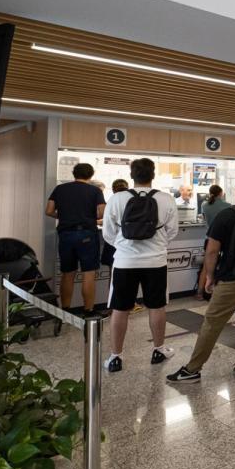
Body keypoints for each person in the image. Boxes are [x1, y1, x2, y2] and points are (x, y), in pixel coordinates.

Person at [167, 177, 235, 384]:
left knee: (212, 323)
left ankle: (193, 369)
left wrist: (209, 276)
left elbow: (211, 251)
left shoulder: (226, 216)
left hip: (231, 279)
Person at [101, 158, 179, 373]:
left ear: (131, 175)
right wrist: (157, 245)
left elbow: (108, 233)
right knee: (156, 306)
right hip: (156, 261)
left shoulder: (116, 199)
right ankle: (158, 349)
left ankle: (115, 356)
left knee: (120, 308)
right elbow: (172, 231)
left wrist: (124, 246)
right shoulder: (166, 199)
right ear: (152, 174)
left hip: (124, 262)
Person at [45, 163, 106, 311]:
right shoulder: (95, 190)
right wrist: (89, 217)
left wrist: (65, 216)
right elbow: (101, 213)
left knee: (67, 273)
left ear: (74, 174)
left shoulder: (60, 189)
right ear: (91, 175)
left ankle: (65, 309)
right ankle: (89, 311)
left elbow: (49, 210)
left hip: (65, 234)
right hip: (87, 235)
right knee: (89, 273)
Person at [100, 179, 127, 271]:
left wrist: (115, 243)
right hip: (129, 242)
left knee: (113, 271)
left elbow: (107, 227)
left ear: (113, 189)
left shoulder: (112, 201)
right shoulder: (135, 200)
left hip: (114, 241)